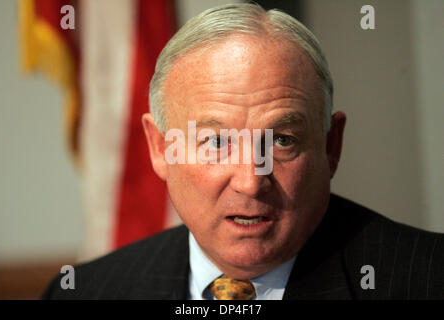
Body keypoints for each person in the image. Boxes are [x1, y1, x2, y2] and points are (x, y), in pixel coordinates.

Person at [43, 3, 443, 300]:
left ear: (330, 145)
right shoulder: (84, 293)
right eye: (216, 143)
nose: (251, 181)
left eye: (282, 140)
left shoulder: (427, 280)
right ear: (160, 148)